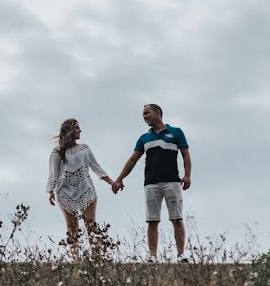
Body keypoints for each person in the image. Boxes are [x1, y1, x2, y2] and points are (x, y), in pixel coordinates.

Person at [112, 104, 192, 262]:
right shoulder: (144, 138)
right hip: (151, 183)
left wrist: (187, 175)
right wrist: (120, 178)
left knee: (176, 218)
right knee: (152, 220)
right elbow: (133, 160)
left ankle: (181, 254)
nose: (144, 117)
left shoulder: (176, 132)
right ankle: (153, 256)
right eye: (143, 115)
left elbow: (186, 156)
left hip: (172, 182)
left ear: (158, 113)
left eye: (147, 113)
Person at [46, 118, 115, 256]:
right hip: (65, 192)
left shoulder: (84, 148)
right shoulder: (57, 152)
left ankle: (96, 256)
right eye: (77, 128)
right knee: (72, 227)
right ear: (69, 130)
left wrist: (112, 182)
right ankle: (76, 259)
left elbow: (96, 167)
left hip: (86, 189)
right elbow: (53, 173)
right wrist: (51, 191)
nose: (80, 130)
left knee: (90, 222)